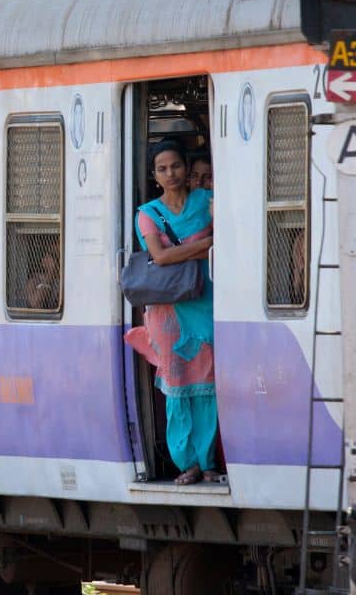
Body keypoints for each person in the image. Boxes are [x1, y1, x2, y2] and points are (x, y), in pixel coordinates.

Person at [124, 142, 219, 485]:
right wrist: (207, 245)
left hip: (205, 301)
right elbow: (159, 258)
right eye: (162, 169)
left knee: (207, 386)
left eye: (176, 166)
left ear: (185, 168)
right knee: (177, 386)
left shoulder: (206, 202)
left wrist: (187, 250)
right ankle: (187, 463)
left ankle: (208, 463)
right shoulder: (147, 213)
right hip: (168, 313)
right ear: (154, 176)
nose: (171, 174)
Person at [25, 246, 61, 310]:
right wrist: (50, 272)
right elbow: (34, 303)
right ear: (43, 261)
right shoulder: (34, 279)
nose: (56, 261)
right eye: (52, 255)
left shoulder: (60, 282)